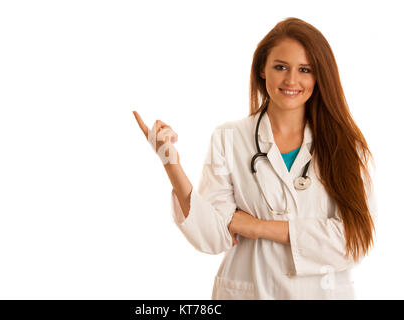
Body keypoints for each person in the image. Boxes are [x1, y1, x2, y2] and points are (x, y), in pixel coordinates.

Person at [132, 17, 377, 300]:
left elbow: (354, 241)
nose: (291, 80)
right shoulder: (230, 138)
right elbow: (212, 237)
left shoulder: (346, 147)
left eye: (305, 70)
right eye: (280, 67)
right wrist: (170, 161)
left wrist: (259, 227)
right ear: (263, 69)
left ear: (319, 76)